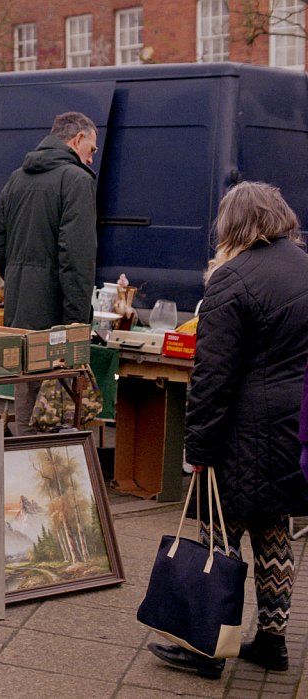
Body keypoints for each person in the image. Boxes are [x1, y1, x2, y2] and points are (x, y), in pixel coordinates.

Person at [147, 182, 308, 679]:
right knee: (276, 529)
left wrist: (197, 448)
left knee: (221, 530)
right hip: (295, 425)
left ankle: (207, 646)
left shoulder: (232, 279)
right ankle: (273, 643)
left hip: (243, 430)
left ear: (235, 225)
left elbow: (212, 377)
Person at [0, 111, 98, 436]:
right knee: (59, 417)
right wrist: (78, 322)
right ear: (77, 140)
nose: (91, 159)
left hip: (20, 315)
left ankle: (22, 483)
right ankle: (55, 486)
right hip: (59, 320)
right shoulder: (77, 180)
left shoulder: (16, 178)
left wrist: (21, 284)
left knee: (26, 410)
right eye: (91, 150)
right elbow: (76, 258)